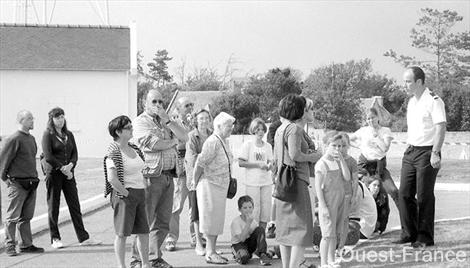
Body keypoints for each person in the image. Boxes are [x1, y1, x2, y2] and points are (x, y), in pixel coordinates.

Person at [130, 89, 188, 268]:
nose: (158, 105)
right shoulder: (140, 122)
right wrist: (174, 142)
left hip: (170, 176)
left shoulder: (167, 120)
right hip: (150, 177)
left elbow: (185, 136)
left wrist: (168, 121)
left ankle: (154, 257)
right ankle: (137, 260)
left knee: (163, 221)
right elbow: (153, 144)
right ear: (144, 103)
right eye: (154, 102)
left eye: (160, 102)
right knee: (144, 222)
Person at [396, 66, 446, 249]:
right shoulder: (412, 102)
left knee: (424, 196)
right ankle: (409, 233)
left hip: (427, 152)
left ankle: (425, 238)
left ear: (419, 81)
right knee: (404, 194)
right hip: (411, 151)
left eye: (408, 81)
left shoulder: (434, 100)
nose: (405, 85)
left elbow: (440, 127)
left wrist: (435, 152)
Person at [41, 107, 101, 249]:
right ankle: (55, 238)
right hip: (54, 174)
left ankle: (83, 237)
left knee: (75, 205)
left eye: (62, 116)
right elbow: (48, 156)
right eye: (57, 117)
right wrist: (63, 168)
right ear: (51, 119)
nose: (60, 119)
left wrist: (71, 166)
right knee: (53, 206)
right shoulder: (47, 135)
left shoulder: (68, 134)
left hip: (68, 174)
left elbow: (75, 154)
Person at [273, 94, 316, 268]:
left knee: (285, 230)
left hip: (282, 181)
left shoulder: (280, 129)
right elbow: (295, 155)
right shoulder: (295, 129)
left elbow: (278, 157)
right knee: (301, 229)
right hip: (297, 180)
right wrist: (314, 156)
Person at [104, 116, 151, 268]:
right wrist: (126, 193)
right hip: (125, 196)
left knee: (143, 231)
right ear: (118, 132)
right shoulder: (113, 153)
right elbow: (112, 179)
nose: (132, 129)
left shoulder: (135, 148)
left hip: (140, 193)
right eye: (128, 127)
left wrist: (144, 182)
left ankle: (145, 264)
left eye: (131, 126)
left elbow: (142, 168)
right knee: (122, 233)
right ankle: (121, 266)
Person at [192, 112, 235, 265]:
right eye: (228, 125)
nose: (231, 128)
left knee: (216, 220)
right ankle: (209, 252)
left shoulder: (223, 140)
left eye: (231, 125)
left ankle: (213, 250)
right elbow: (200, 163)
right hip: (209, 186)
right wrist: (194, 182)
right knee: (210, 220)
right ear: (218, 126)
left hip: (219, 187)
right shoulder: (213, 141)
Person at [0, 110, 44, 256]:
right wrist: (7, 180)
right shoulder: (13, 139)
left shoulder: (31, 139)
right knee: (12, 217)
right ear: (21, 120)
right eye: (30, 118)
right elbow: (3, 162)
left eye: (33, 118)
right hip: (17, 184)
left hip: (31, 183)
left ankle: (26, 245)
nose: (33, 121)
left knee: (26, 217)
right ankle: (10, 245)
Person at [314, 131, 351, 268]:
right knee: (327, 234)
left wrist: (342, 160)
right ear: (326, 145)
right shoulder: (321, 164)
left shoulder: (337, 161)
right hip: (328, 203)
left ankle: (331, 259)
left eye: (340, 146)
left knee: (335, 232)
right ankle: (323, 263)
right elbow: (318, 187)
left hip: (339, 201)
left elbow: (347, 177)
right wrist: (322, 206)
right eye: (334, 145)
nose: (337, 149)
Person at [350, 108, 398, 207]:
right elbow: (348, 140)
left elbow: (385, 148)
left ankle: (408, 219)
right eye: (368, 119)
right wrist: (359, 145)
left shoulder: (385, 131)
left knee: (393, 191)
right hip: (364, 165)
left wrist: (376, 137)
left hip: (379, 166)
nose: (370, 121)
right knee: (358, 191)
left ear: (378, 117)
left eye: (372, 118)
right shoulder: (363, 131)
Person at [166, 97, 195, 251]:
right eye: (186, 105)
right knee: (176, 206)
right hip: (182, 170)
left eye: (191, 105)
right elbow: (177, 143)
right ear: (178, 108)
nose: (190, 108)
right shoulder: (173, 124)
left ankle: (195, 236)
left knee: (194, 206)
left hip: (195, 170)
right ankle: (172, 237)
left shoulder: (197, 122)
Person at [185, 108, 212, 256]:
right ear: (196, 120)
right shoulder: (191, 137)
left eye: (206, 118)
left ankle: (209, 244)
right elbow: (192, 159)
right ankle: (198, 244)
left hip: (210, 179)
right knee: (195, 212)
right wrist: (207, 158)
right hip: (195, 179)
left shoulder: (213, 135)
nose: (204, 121)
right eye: (201, 118)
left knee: (208, 211)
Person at [238, 118, 274, 231]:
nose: (260, 132)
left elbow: (270, 162)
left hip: (266, 182)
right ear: (253, 130)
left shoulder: (268, 146)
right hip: (252, 182)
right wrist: (258, 165)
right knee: (253, 209)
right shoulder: (247, 145)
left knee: (265, 209)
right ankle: (252, 236)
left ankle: (261, 237)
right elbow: (241, 162)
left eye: (263, 130)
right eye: (258, 129)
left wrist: (270, 166)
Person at [230, 195, 272, 266]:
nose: (248, 210)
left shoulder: (253, 221)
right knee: (244, 258)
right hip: (238, 244)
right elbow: (242, 239)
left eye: (250, 207)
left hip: (249, 243)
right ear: (240, 210)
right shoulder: (236, 222)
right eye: (245, 208)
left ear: (253, 208)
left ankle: (263, 254)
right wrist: (248, 223)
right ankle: (240, 254)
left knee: (260, 229)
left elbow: (257, 237)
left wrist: (259, 247)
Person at [336, 133, 358, 254]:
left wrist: (354, 196)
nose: (341, 149)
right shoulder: (331, 160)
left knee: (344, 221)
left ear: (348, 146)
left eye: (344, 146)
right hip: (333, 195)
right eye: (339, 146)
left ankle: (341, 246)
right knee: (332, 222)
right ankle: (329, 246)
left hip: (346, 195)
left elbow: (354, 180)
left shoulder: (352, 161)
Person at [265, 118, 282, 239]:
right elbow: (271, 146)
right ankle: (272, 224)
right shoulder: (276, 126)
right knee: (274, 198)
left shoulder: (299, 126)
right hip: (277, 165)